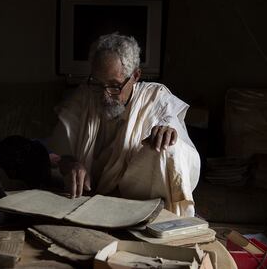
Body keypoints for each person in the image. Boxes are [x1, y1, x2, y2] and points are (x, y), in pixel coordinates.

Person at [48, 33, 200, 216]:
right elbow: (53, 154)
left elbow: (172, 131)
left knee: (169, 148)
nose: (104, 95)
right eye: (98, 83)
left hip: (136, 201)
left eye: (114, 86)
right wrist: (69, 163)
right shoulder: (86, 96)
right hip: (92, 201)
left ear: (135, 76)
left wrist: (166, 131)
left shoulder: (155, 98)